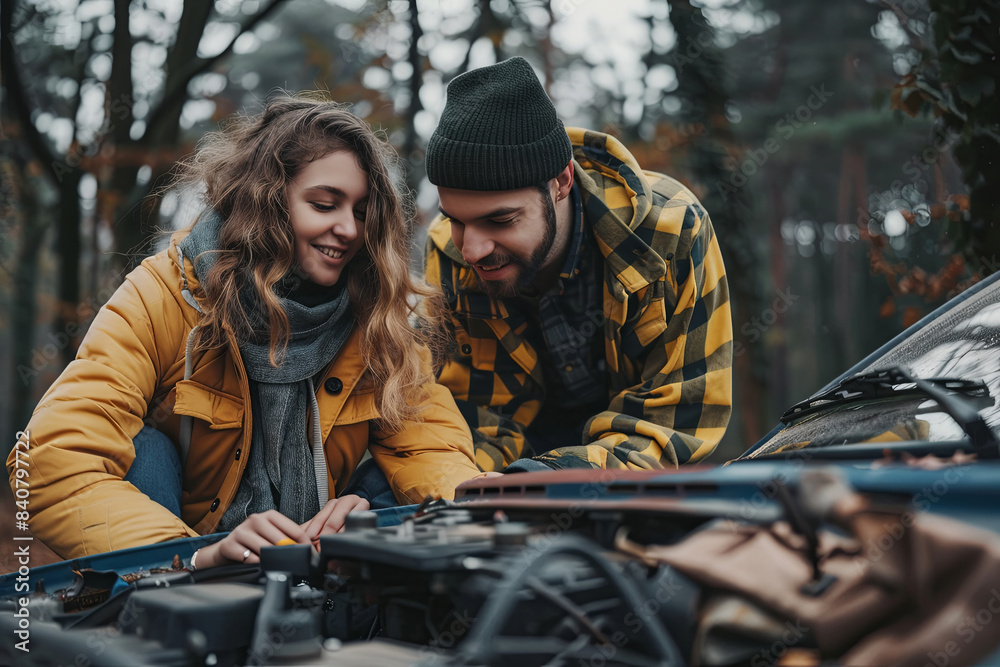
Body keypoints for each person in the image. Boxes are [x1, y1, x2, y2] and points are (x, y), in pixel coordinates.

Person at [7, 94, 483, 566]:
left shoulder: (376, 315)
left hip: (317, 550)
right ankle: (163, 600)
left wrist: (378, 518)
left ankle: (349, 598)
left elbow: (432, 445)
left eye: (360, 212)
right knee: (142, 450)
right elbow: (49, 460)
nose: (349, 229)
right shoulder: (163, 295)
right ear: (267, 202)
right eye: (324, 205)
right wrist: (194, 556)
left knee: (394, 487)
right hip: (189, 555)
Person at [423, 57, 733, 472]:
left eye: (500, 220)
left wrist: (544, 479)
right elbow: (472, 418)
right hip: (507, 474)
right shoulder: (448, 252)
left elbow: (674, 419)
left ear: (561, 182)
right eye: (455, 220)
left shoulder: (671, 233)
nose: (473, 250)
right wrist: (455, 485)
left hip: (624, 476)